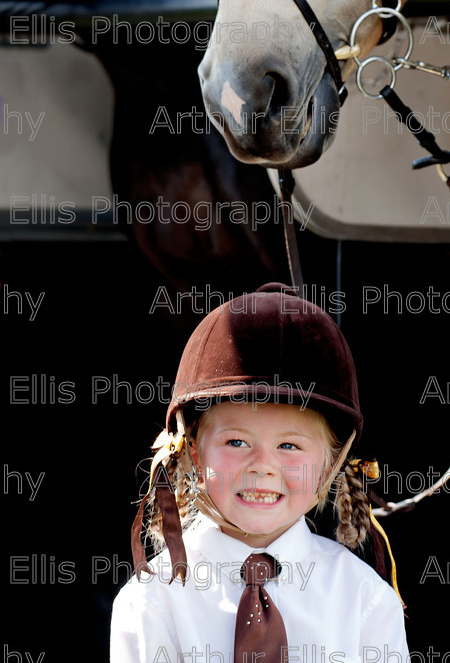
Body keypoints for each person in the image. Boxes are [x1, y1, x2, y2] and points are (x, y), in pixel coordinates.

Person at [110, 282, 409, 663]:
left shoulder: (365, 600)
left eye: (289, 446)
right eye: (236, 442)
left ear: (329, 465)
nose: (262, 466)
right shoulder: (152, 601)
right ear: (192, 453)